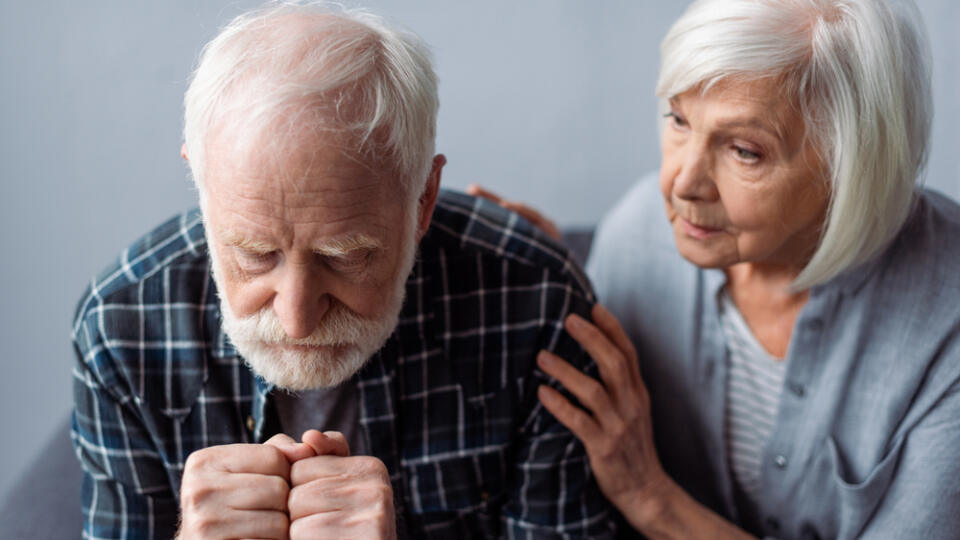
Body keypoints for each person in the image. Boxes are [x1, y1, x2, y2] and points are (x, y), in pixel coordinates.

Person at [70, 2, 616, 538]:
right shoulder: (121, 329)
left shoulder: (536, 305)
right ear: (203, 188)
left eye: (345, 257)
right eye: (256, 253)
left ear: (422, 200)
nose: (297, 320)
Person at [473, 0, 960, 538]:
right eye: (679, 120)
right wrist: (545, 271)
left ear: (856, 162)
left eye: (745, 151)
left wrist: (651, 499)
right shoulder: (637, 234)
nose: (681, 183)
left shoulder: (947, 318)